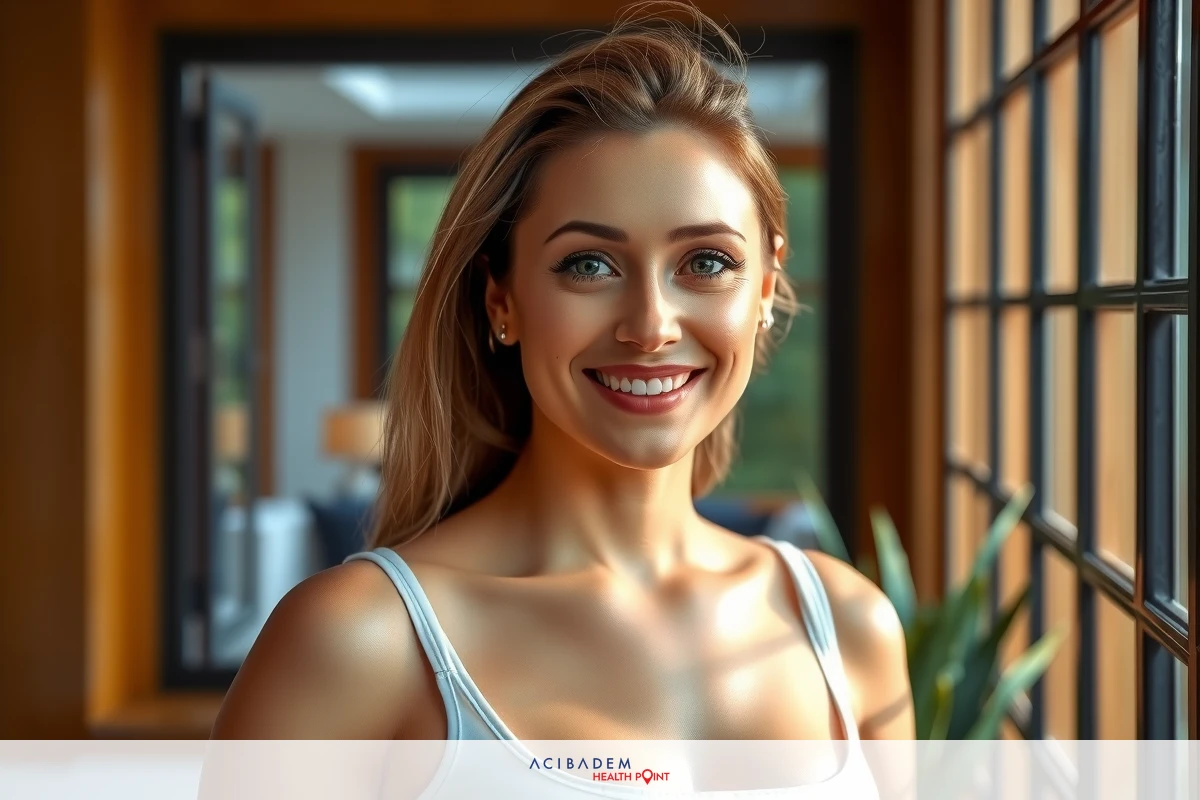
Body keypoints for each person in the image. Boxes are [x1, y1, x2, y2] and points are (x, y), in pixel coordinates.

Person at [212, 0, 914, 791]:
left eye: (707, 263)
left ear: (766, 286)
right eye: (589, 265)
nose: (651, 325)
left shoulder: (851, 628)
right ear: (501, 299)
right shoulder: (357, 642)